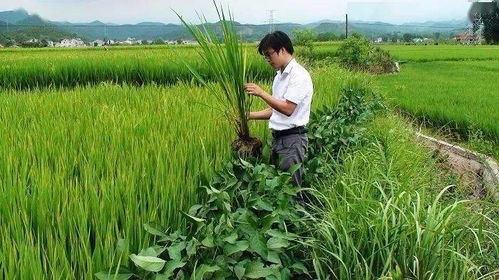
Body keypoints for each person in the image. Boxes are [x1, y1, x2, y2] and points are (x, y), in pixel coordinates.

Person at [244, 31, 313, 186]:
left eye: (269, 54)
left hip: (292, 140)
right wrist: (248, 115)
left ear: (282, 49)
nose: (268, 59)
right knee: (279, 189)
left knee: (290, 190)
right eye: (265, 56)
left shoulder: (298, 75)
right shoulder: (279, 76)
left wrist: (261, 93)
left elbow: (288, 109)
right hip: (278, 139)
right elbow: (275, 110)